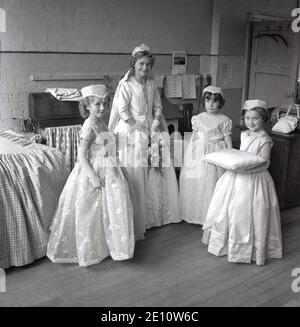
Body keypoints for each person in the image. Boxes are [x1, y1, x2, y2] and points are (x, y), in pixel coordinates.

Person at [47, 84, 135, 267]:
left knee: (110, 206)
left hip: (110, 167)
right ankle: (93, 247)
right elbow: (81, 155)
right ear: (87, 105)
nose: (102, 108)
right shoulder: (88, 125)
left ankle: (109, 243)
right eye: (97, 104)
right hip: (95, 170)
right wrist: (94, 178)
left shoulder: (102, 121)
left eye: (105, 104)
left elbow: (106, 143)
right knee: (92, 210)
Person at [108, 43, 180, 238]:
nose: (144, 68)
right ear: (134, 63)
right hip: (132, 131)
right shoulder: (126, 85)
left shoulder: (152, 83)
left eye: (148, 64)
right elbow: (122, 112)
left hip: (151, 127)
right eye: (141, 64)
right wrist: (139, 127)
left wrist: (156, 120)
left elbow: (157, 106)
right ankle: (138, 219)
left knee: (157, 167)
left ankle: (156, 216)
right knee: (136, 170)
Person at [202, 99, 283, 266]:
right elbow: (241, 155)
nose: (251, 122)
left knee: (251, 211)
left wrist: (245, 168)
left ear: (263, 119)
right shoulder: (244, 134)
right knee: (229, 208)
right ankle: (226, 240)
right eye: (247, 119)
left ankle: (252, 249)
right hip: (238, 175)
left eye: (255, 118)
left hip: (255, 177)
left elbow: (264, 162)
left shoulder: (264, 139)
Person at [179, 86, 232, 225]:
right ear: (204, 101)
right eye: (208, 101)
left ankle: (210, 215)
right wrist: (189, 155)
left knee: (212, 182)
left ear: (220, 103)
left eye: (215, 101)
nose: (211, 104)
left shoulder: (224, 120)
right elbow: (195, 137)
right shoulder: (198, 118)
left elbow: (227, 141)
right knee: (197, 179)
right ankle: (194, 212)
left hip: (216, 152)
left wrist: (230, 157)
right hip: (199, 151)